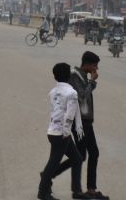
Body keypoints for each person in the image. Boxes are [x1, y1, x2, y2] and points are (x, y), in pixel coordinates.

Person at [54, 52, 109, 200]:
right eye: (95, 65)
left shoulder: (81, 75)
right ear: (88, 64)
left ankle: (87, 189)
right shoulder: (74, 75)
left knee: (83, 155)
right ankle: (78, 188)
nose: (96, 68)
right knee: (84, 155)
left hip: (85, 121)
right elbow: (81, 95)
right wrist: (92, 82)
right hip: (79, 122)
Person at [38, 62, 85, 200]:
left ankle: (76, 191)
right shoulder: (71, 93)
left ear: (54, 76)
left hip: (53, 131)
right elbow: (69, 115)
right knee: (52, 164)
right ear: (70, 76)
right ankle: (42, 192)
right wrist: (65, 133)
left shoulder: (52, 92)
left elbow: (56, 111)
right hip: (61, 134)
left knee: (77, 159)